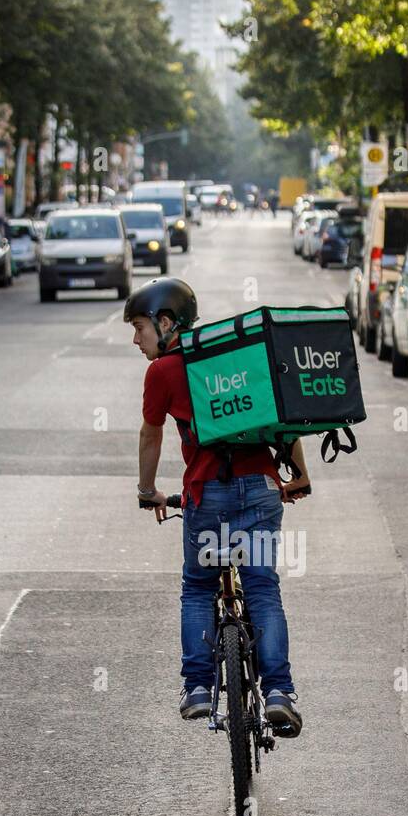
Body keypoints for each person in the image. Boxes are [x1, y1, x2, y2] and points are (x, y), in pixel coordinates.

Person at [127, 277, 309, 735]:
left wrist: (147, 489)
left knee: (198, 589)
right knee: (263, 590)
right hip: (263, 490)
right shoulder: (236, 358)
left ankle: (199, 689)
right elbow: (279, 420)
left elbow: (152, 434)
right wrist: (297, 476)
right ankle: (279, 693)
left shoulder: (163, 372)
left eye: (140, 328)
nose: (136, 339)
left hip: (207, 496)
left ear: (166, 323)